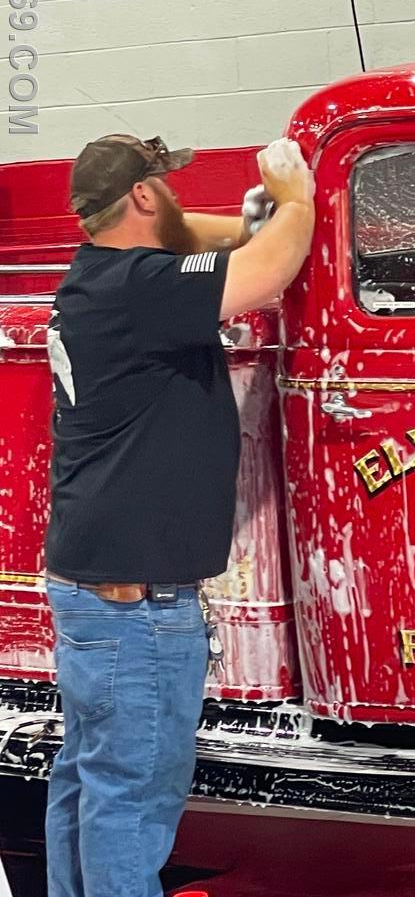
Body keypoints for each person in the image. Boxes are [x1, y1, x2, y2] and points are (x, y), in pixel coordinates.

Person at [43, 133, 315, 897]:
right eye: (166, 187)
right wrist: (296, 197)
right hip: (138, 606)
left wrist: (259, 213)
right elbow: (266, 269)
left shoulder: (107, 275)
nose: (180, 201)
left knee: (92, 778)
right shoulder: (143, 286)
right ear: (142, 197)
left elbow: (212, 239)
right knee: (133, 793)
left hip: (95, 587)